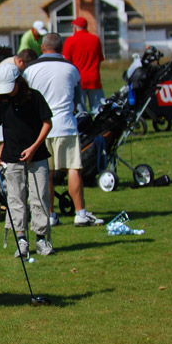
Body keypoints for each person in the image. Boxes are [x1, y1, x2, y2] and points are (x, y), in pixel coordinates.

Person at [24, 33, 104, 227]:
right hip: (65, 124)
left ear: (42, 48)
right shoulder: (72, 69)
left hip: (40, 129)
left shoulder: (29, 70)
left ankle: (50, 215)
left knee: (47, 172)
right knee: (73, 169)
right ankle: (80, 213)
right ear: (61, 49)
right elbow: (78, 102)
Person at [0, 64, 54, 258]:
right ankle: (21, 239)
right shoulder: (0, 101)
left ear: (19, 82)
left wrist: (34, 147)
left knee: (40, 197)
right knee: (16, 199)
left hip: (38, 155)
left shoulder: (35, 97)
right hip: (11, 157)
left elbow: (47, 123)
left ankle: (42, 239)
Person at [0, 49, 38, 131]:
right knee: (2, 139)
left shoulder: (12, 64)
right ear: (20, 61)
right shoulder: (7, 69)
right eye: (26, 66)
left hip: (1, 104)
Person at [63, 17, 105, 113]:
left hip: (78, 80)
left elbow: (66, 63)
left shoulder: (70, 41)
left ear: (75, 27)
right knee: (98, 109)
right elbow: (99, 60)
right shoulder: (95, 40)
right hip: (94, 79)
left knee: (80, 111)